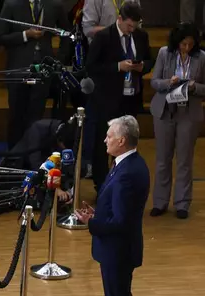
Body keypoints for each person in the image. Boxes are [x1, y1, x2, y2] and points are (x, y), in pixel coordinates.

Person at [74, 115, 149, 296]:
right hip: (117, 252)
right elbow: (118, 213)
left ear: (122, 140)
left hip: (118, 254)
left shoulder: (128, 173)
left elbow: (120, 223)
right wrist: (98, 213)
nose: (105, 139)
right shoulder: (126, 165)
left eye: (109, 135)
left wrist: (91, 223)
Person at [85, 2, 152, 192]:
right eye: (129, 25)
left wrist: (142, 67)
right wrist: (117, 67)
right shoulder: (104, 36)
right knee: (103, 145)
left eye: (135, 26)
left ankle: (123, 185)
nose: (132, 30)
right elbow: (91, 67)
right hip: (107, 100)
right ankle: (102, 187)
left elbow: (149, 60)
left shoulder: (141, 35)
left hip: (131, 98)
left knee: (127, 144)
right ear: (120, 19)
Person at [0, 0, 71, 150]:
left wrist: (58, 60)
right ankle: (13, 158)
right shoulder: (12, 4)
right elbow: (0, 36)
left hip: (44, 70)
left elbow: (66, 33)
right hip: (18, 68)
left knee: (36, 117)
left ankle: (31, 157)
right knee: (16, 116)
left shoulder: (55, 4)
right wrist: (25, 34)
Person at [149, 23, 205, 220]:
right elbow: (154, 82)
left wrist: (194, 86)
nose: (187, 48)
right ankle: (160, 202)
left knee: (184, 161)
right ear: (177, 42)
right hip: (165, 111)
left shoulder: (201, 57)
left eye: (190, 45)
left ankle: (182, 203)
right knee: (163, 160)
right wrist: (168, 82)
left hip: (188, 114)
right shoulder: (165, 53)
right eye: (183, 44)